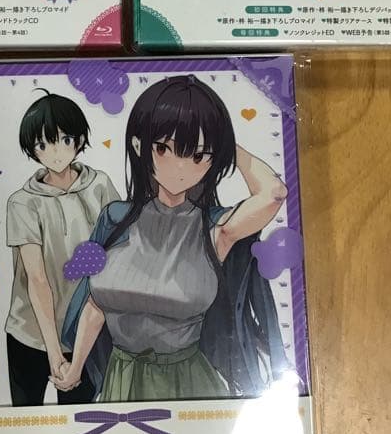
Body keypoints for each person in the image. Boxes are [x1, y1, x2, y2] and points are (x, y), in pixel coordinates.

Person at [54, 75, 289, 403]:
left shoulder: (216, 230)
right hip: (120, 378)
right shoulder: (116, 219)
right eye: (164, 148)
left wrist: (226, 145)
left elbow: (274, 193)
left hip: (187, 383)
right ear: (140, 146)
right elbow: (96, 305)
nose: (180, 168)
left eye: (197, 155)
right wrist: (75, 369)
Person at [5, 91, 119, 407]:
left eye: (64, 140)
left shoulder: (100, 186)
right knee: (24, 422)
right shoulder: (23, 203)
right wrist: (55, 354)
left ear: (79, 140)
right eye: (43, 144)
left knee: (81, 421)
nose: (55, 153)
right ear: (32, 148)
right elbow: (37, 280)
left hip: (88, 330)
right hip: (30, 334)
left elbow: (118, 257)